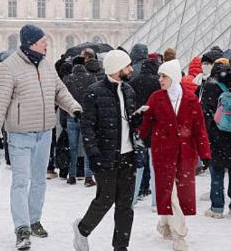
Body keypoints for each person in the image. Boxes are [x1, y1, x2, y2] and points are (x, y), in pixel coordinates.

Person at [0, 24, 82, 250]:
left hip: (44, 132)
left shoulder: (48, 66)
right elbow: (0, 100)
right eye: (42, 41)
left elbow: (60, 91)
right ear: (31, 43)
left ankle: (34, 219)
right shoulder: (10, 67)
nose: (46, 44)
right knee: (21, 181)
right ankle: (21, 228)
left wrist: (74, 108)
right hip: (20, 134)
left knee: (39, 180)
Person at [73, 49, 143, 251]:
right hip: (105, 155)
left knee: (125, 205)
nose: (131, 69)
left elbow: (129, 122)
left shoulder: (129, 91)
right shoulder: (94, 91)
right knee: (105, 199)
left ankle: (121, 246)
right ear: (115, 69)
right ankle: (83, 229)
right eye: (127, 65)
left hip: (128, 155)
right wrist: (93, 154)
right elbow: (88, 126)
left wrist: (137, 120)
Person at [137, 59, 211, 251]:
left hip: (185, 153)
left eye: (164, 76)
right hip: (162, 152)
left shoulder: (190, 99)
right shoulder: (156, 97)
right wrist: (138, 127)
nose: (160, 79)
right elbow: (146, 124)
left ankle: (164, 224)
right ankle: (179, 235)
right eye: (160, 75)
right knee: (171, 192)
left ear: (174, 77)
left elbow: (199, 128)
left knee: (173, 192)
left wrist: (205, 153)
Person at [200, 61, 231, 218]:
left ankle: (217, 207)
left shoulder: (210, 86)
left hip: (217, 134)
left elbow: (204, 112)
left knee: (217, 171)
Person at [128, 55, 162, 203]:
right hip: (154, 125)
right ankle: (155, 200)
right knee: (155, 165)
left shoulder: (133, 81)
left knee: (138, 164)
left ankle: (134, 196)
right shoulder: (157, 82)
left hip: (139, 126)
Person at [63, 56, 100, 186]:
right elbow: (96, 99)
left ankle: (71, 175)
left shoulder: (67, 79)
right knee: (87, 147)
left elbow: (63, 99)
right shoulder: (92, 78)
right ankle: (88, 177)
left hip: (71, 116)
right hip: (87, 117)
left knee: (72, 148)